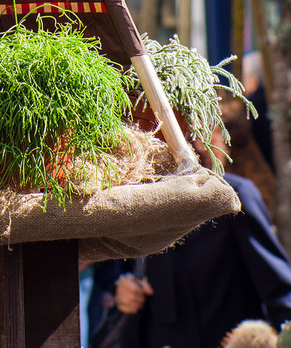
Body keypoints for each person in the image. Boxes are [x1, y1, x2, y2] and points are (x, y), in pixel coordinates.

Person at [91, 132, 291, 348]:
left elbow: (278, 289)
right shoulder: (143, 201)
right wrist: (123, 289)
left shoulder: (234, 197)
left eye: (206, 138)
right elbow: (121, 269)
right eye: (189, 138)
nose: (198, 147)